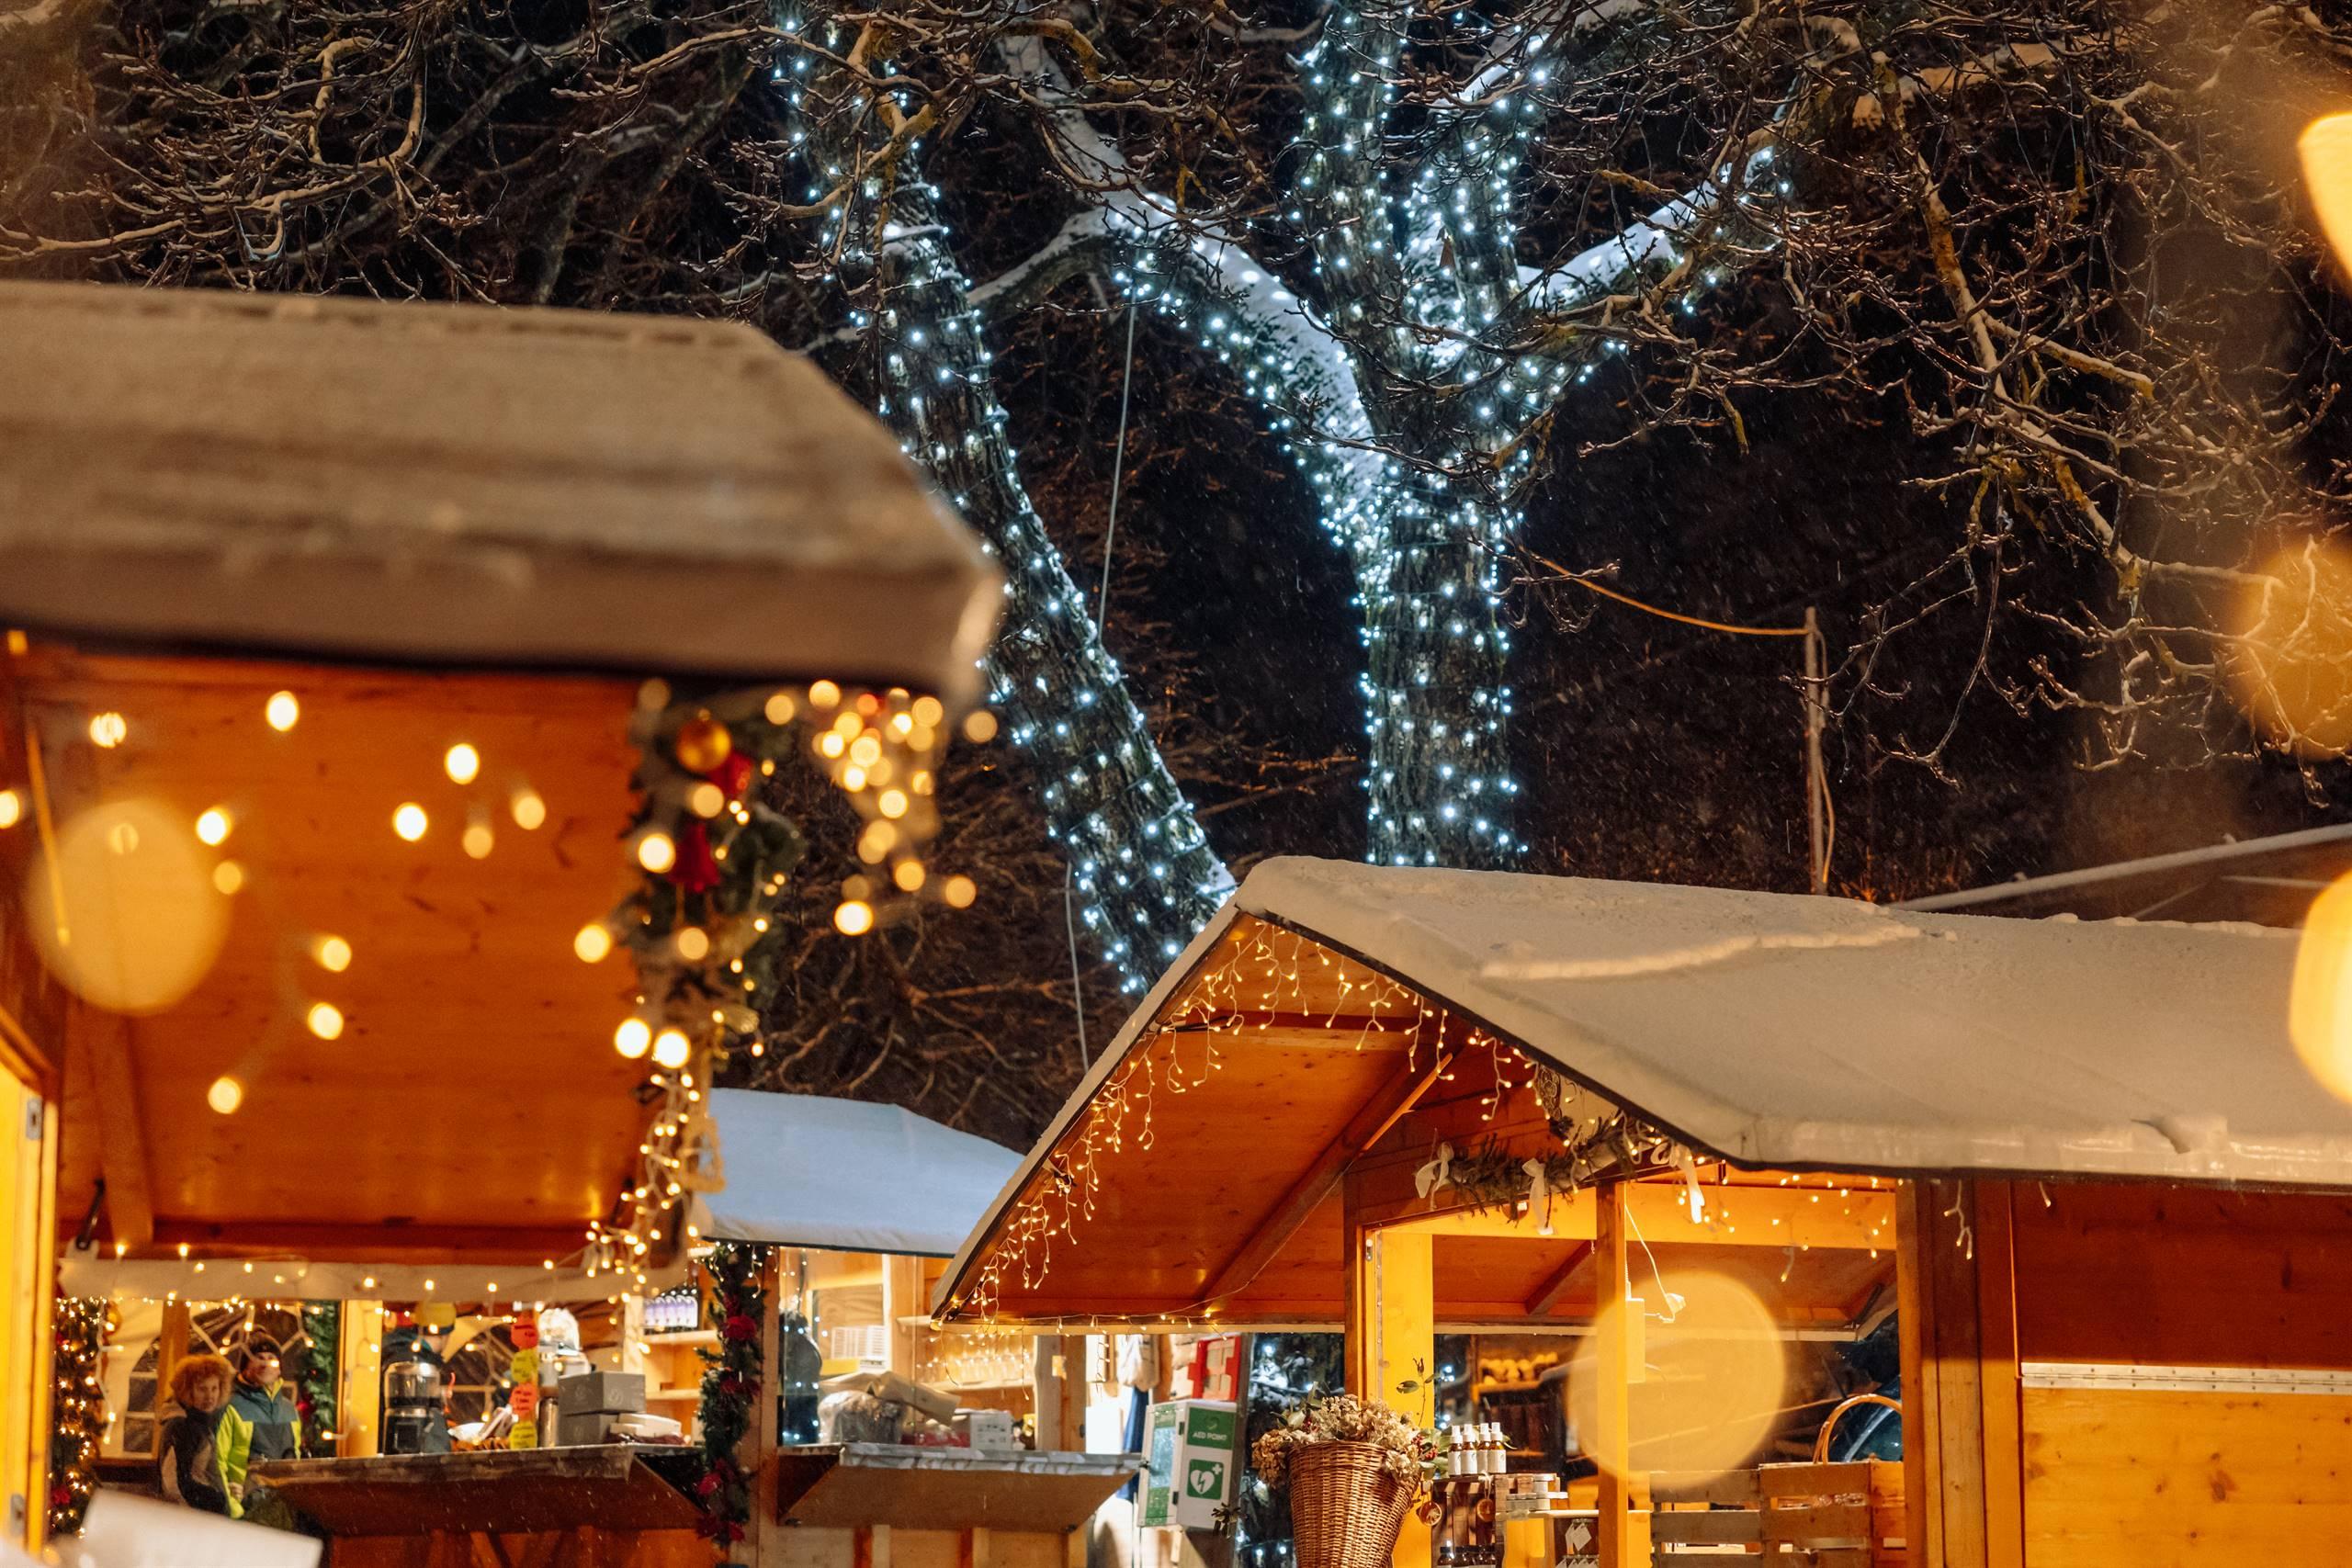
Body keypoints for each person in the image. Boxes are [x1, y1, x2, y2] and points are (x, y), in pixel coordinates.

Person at [157, 1353, 244, 1517]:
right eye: (202, 1389)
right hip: (188, 1519)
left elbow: (202, 1473)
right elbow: (175, 1481)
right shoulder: (182, 1426)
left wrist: (224, 1490)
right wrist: (215, 1499)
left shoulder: (201, 1424)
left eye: (214, 1388)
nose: (210, 1396)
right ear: (188, 1390)